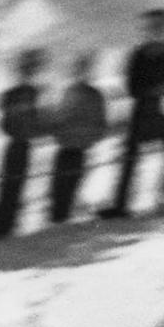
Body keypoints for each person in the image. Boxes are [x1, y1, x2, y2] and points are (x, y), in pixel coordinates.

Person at [104, 9, 164, 217]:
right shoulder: (141, 55)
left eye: (157, 27)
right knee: (139, 157)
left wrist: (159, 89)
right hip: (145, 110)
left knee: (141, 157)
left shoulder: (163, 54)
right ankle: (130, 204)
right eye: (152, 27)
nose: (155, 31)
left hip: (151, 110)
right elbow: (133, 88)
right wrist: (160, 88)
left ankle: (133, 203)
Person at [0, 47, 50, 241]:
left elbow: (36, 120)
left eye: (30, 70)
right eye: (25, 69)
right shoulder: (12, 94)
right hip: (14, 145)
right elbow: (5, 124)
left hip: (25, 145)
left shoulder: (33, 92)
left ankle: (9, 225)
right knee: (8, 186)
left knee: (18, 186)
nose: (27, 73)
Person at [48, 52, 108, 223]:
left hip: (74, 148)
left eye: (82, 68)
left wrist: (83, 136)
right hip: (70, 147)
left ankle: (59, 222)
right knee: (62, 189)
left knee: (64, 189)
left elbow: (99, 125)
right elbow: (60, 118)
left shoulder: (87, 94)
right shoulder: (78, 92)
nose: (80, 72)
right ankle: (59, 221)